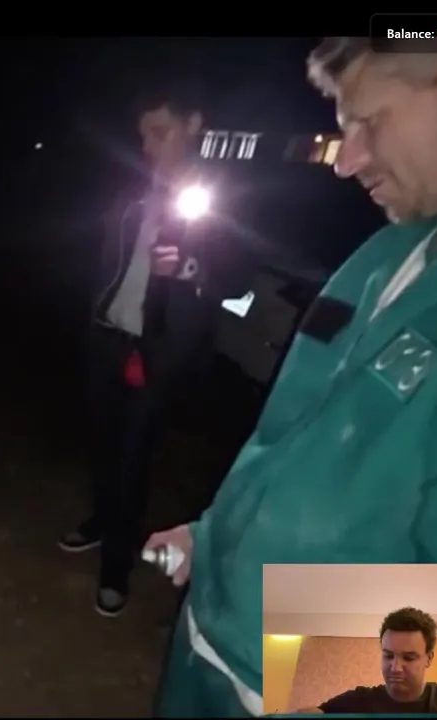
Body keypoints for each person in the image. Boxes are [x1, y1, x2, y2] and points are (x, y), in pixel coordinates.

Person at [148, 38, 437, 717]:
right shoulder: (387, 249)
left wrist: (284, 654)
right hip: (205, 654)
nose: (346, 161)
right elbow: (297, 440)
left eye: (369, 122)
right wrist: (216, 538)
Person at [59, 86, 252, 617]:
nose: (147, 145)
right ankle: (102, 521)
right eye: (143, 134)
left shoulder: (223, 195)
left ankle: (116, 565)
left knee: (133, 458)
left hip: (160, 350)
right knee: (103, 444)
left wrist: (189, 268)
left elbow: (239, 281)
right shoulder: (132, 186)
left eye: (160, 132)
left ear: (194, 125)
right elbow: (102, 251)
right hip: (108, 336)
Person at [290, 607, 437, 715]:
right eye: (388, 655)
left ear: (428, 658)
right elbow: (316, 713)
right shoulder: (359, 700)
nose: (395, 667)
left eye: (408, 657)